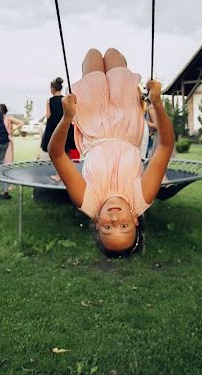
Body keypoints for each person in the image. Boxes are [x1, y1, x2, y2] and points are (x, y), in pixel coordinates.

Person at [48, 48, 173, 258]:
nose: (115, 221)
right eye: (124, 226)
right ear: (135, 219)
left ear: (96, 224)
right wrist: (157, 104)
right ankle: (125, 76)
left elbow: (57, 155)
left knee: (92, 56)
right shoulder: (141, 199)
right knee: (114, 55)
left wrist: (67, 118)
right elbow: (165, 146)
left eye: (108, 228)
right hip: (126, 122)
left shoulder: (86, 201)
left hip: (93, 123)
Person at [39, 77, 77, 161]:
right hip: (65, 126)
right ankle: (68, 170)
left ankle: (57, 172)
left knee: (55, 150)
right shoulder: (66, 99)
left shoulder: (49, 101)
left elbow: (48, 115)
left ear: (52, 88)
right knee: (66, 149)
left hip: (53, 128)